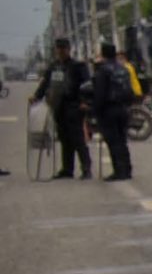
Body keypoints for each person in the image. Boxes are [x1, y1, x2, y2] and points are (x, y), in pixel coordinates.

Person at [39, 38, 90, 180]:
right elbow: (45, 84)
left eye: (64, 48)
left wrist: (85, 101)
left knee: (77, 138)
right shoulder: (53, 67)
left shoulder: (78, 66)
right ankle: (67, 169)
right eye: (58, 48)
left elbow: (87, 86)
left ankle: (86, 168)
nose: (61, 51)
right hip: (58, 106)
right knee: (64, 139)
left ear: (69, 49)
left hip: (74, 105)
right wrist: (36, 96)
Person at [88, 41, 137, 181]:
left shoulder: (103, 71)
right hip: (123, 108)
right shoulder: (123, 68)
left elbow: (100, 93)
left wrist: (95, 111)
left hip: (109, 110)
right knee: (122, 140)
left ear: (103, 54)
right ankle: (127, 169)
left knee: (113, 141)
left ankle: (119, 171)